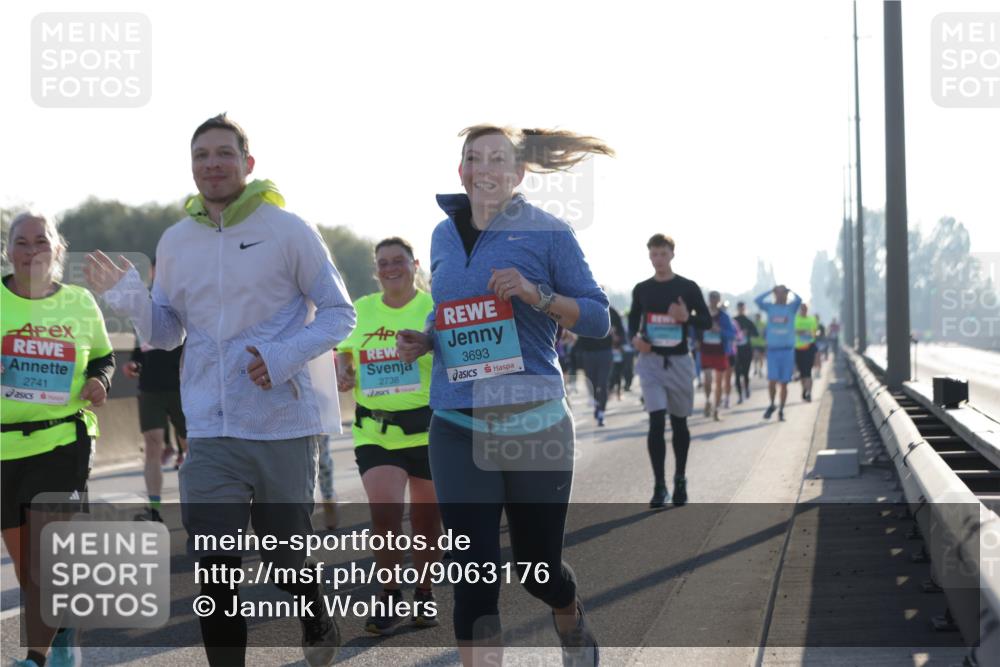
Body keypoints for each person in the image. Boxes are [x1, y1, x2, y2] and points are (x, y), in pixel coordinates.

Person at [84, 114, 355, 667]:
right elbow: (165, 333)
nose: (212, 164)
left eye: (224, 154)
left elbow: (339, 313)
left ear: (247, 163)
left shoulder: (288, 228)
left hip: (280, 422)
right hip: (209, 427)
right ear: (192, 166)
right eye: (202, 155)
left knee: (284, 558)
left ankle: (314, 610)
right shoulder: (177, 240)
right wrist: (131, 297)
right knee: (214, 567)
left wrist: (279, 358)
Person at [396, 124, 612, 667]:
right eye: (474, 157)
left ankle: (568, 611)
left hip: (532, 416)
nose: (484, 167)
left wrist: (537, 294)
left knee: (537, 567)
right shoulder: (442, 235)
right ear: (462, 171)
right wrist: (426, 338)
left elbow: (598, 317)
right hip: (456, 418)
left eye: (498, 158)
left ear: (518, 175)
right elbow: (450, 308)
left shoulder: (549, 233)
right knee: (473, 574)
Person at [2, 212, 115, 667]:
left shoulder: (80, 302)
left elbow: (103, 357)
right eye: (22, 242)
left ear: (57, 249)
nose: (32, 250)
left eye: (41, 241)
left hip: (63, 441)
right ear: (8, 250)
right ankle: (65, 628)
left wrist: (100, 382)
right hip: (6, 446)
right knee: (27, 567)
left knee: (46, 558)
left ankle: (35, 659)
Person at [334, 237, 442, 635]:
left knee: (427, 521)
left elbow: (457, 354)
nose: (391, 267)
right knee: (386, 514)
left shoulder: (433, 307)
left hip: (429, 429)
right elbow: (344, 352)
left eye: (399, 260)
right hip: (375, 430)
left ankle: (425, 593)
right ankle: (390, 593)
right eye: (383, 262)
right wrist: (344, 370)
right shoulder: (361, 309)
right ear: (375, 269)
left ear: (415, 265)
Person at [629, 234, 712, 509]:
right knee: (655, 421)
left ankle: (679, 479)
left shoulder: (687, 287)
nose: (658, 260)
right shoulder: (641, 288)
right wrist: (635, 340)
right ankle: (659, 485)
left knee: (679, 423)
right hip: (651, 362)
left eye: (662, 254)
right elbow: (632, 321)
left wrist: (686, 317)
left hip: (679, 362)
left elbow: (706, 321)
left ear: (672, 255)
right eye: (653, 254)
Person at [125, 265, 187, 523]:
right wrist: (134, 363)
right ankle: (155, 510)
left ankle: (200, 509)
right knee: (152, 445)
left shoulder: (186, 300)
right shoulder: (145, 305)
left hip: (182, 386)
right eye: (156, 269)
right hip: (150, 387)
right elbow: (140, 347)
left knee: (191, 448)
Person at [755, 285, 802, 421]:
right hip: (773, 351)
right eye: (778, 293)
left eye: (783, 293)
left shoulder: (791, 308)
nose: (781, 296)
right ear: (775, 294)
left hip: (787, 351)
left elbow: (799, 299)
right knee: (772, 381)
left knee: (784, 383)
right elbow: (757, 300)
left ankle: (781, 409)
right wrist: (770, 290)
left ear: (786, 295)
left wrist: (790, 290)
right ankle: (772, 404)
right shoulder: (770, 307)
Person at [574, 304, 625, 427]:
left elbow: (621, 332)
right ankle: (597, 404)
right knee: (592, 383)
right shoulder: (584, 308)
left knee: (603, 383)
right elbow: (576, 328)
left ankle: (601, 412)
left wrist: (616, 337)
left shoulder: (612, 312)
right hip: (588, 353)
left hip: (605, 352)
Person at [698, 291, 736, 421]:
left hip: (720, 352)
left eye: (716, 298)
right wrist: (696, 339)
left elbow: (732, 334)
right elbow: (694, 329)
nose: (714, 300)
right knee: (707, 381)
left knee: (719, 382)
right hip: (706, 351)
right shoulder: (703, 314)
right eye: (711, 297)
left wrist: (720, 330)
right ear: (709, 299)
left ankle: (717, 409)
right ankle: (708, 401)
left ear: (719, 300)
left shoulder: (724, 316)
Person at [732, 301, 759, 403]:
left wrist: (748, 332)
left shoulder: (748, 321)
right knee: (737, 374)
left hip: (747, 350)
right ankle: (740, 396)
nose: (741, 310)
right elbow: (729, 333)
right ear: (737, 309)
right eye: (739, 308)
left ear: (745, 309)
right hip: (736, 351)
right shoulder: (733, 321)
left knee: (746, 373)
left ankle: (747, 387)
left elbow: (756, 334)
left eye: (742, 308)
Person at [794, 303, 819, 402]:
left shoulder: (812, 319)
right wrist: (807, 332)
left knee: (808, 372)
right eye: (802, 309)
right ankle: (804, 389)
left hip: (809, 348)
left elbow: (815, 332)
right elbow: (795, 331)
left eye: (806, 309)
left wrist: (806, 332)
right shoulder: (796, 319)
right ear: (800, 309)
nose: (804, 310)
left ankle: (809, 393)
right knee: (802, 373)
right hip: (799, 348)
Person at [750, 312, 767, 377]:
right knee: (757, 358)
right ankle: (757, 370)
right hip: (756, 343)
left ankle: (758, 370)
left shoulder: (761, 324)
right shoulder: (758, 324)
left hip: (759, 343)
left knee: (759, 358)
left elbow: (765, 334)